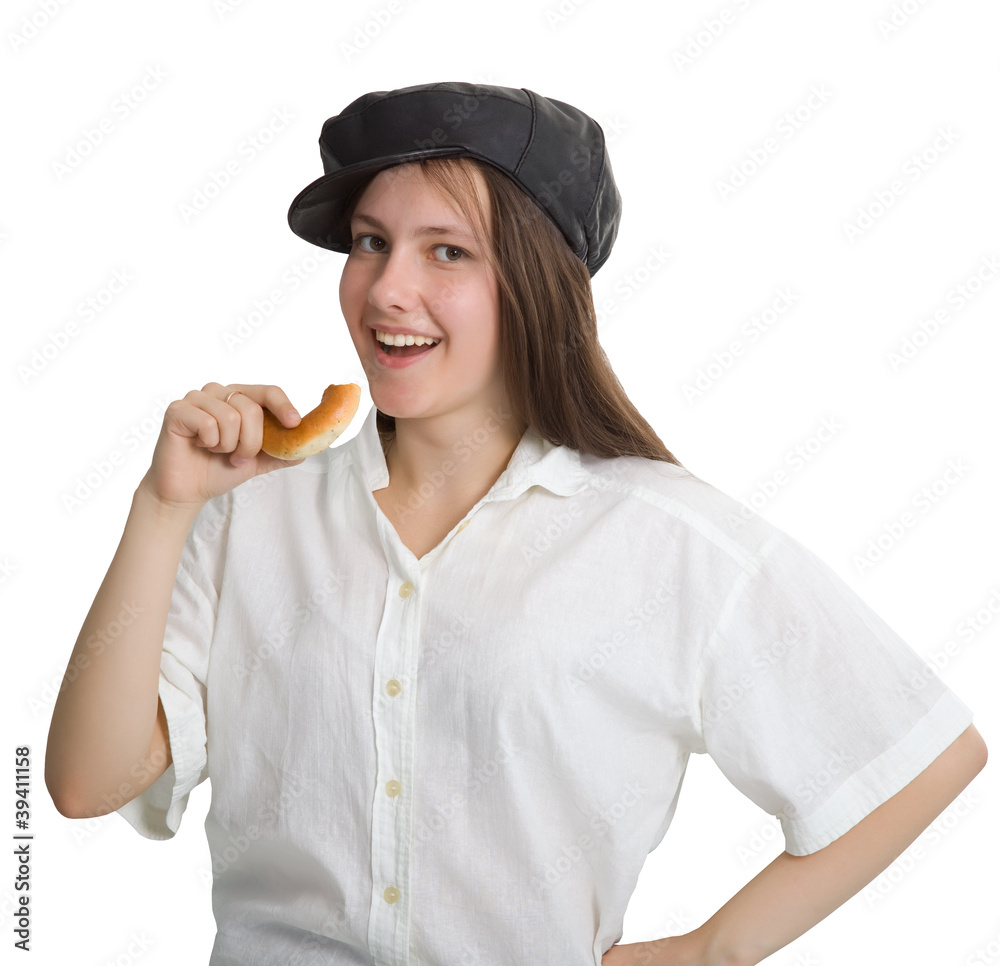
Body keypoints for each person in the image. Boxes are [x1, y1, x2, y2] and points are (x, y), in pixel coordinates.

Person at [45, 82, 986, 966]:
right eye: (370, 243)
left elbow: (921, 756)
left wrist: (713, 949)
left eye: (446, 251)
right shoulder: (245, 516)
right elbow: (89, 784)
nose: (385, 291)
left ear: (537, 285)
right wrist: (164, 509)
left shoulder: (664, 540)